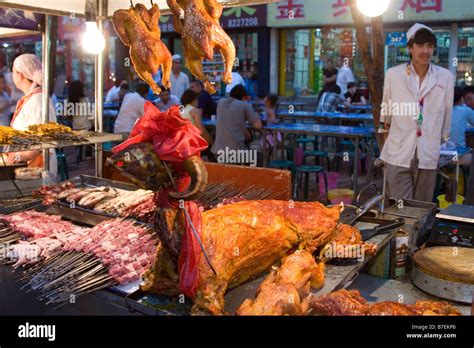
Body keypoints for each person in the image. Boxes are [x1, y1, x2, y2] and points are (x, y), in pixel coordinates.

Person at [380, 23, 455, 202]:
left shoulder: (445, 77)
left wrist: (441, 140)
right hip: (398, 152)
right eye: (420, 45)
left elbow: (446, 114)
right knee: (400, 209)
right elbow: (386, 115)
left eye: (430, 46)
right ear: (410, 48)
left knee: (421, 210)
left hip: (428, 151)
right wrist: (386, 150)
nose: (425, 51)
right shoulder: (394, 75)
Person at [2, 54, 57, 177]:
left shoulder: (38, 100)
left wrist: (21, 155)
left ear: (20, 74)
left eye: (13, 72)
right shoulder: (30, 98)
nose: (12, 76)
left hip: (39, 164)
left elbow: (43, 138)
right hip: (27, 164)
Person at [211, 85, 262, 163]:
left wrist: (244, 128)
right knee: (259, 157)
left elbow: (231, 118)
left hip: (217, 152)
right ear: (243, 97)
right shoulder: (244, 105)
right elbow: (258, 126)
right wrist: (256, 116)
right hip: (235, 153)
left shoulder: (221, 102)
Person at [450, 87, 474, 166]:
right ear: (461, 99)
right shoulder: (466, 110)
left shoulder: (443, 111)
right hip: (456, 156)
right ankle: (469, 178)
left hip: (443, 156)